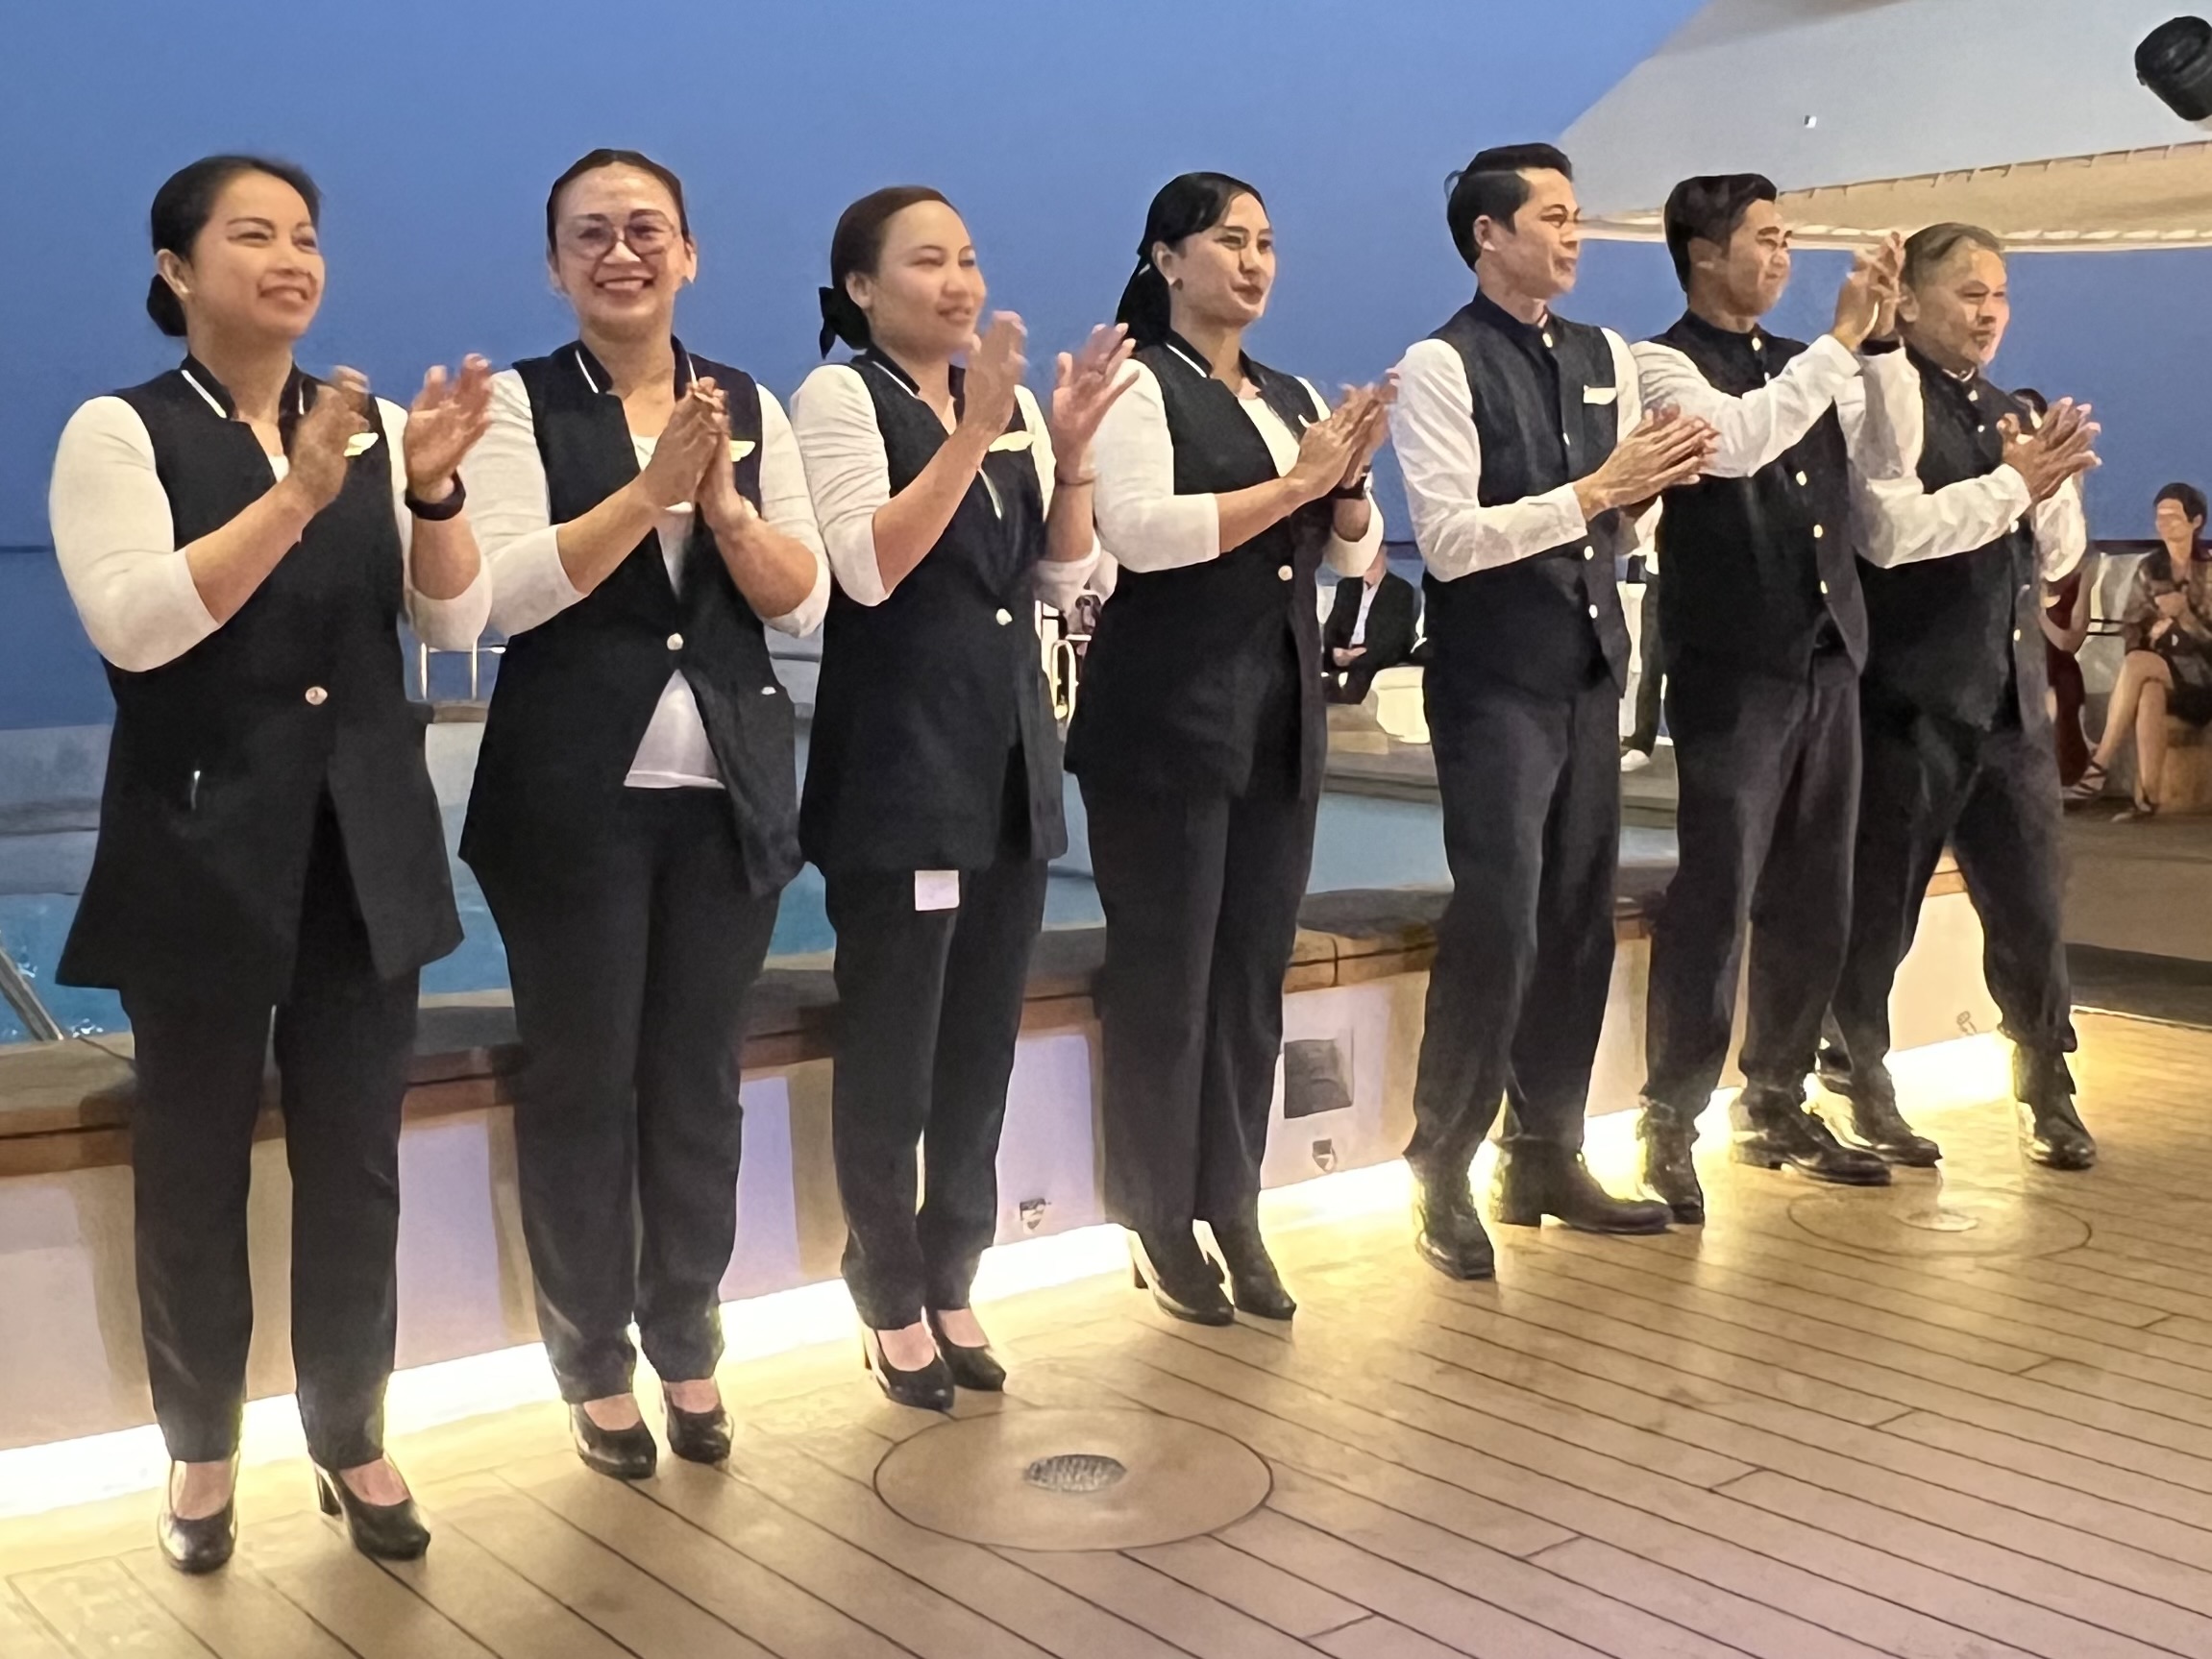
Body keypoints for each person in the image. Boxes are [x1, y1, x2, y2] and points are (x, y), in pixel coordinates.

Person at [47, 155, 493, 1569]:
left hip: (365, 846)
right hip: (198, 844)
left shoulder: (370, 429)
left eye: (305, 235)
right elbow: (136, 625)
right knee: (192, 1163)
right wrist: (297, 495)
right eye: (253, 235)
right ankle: (199, 1445)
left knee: (356, 1161)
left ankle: (351, 1432)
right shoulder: (118, 430)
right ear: (177, 267)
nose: (291, 257)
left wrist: (432, 491)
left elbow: (454, 623)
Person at [461, 150, 829, 1479]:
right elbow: (501, 597)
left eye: (646, 230)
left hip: (726, 798)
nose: (621, 253)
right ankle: (590, 1360)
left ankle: (686, 1334)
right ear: (555, 263)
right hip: (569, 801)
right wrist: (647, 491)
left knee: (695, 1081)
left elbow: (802, 597)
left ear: (689, 253)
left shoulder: (749, 404)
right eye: (591, 235)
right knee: (581, 1080)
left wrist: (721, 503)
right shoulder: (517, 404)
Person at [790, 188, 1130, 1407]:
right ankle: (885, 1289)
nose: (958, 282)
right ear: (861, 288)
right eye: (925, 261)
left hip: (1007, 762)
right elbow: (866, 567)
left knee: (980, 1046)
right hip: (900, 769)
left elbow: (1067, 577)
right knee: (895, 1048)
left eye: (968, 259)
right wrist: (970, 430)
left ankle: (953, 1271)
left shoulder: (1014, 410)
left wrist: (1069, 457)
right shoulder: (841, 397)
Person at [1069, 172, 1390, 1324]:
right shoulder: (1136, 381)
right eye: (1227, 242)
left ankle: (1233, 1200)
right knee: (1167, 977)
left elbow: (1350, 559)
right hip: (1164, 719)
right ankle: (1157, 1212)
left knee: (1251, 975)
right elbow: (1139, 532)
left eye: (1266, 243)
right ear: (1166, 260)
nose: (1253, 263)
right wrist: (1295, 480)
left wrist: (1347, 487)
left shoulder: (1288, 393)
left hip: (1277, 714)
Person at [1389, 145, 1714, 1280]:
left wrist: (1643, 496)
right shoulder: (1438, 365)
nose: (1575, 237)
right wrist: (1597, 491)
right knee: (1500, 917)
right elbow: (1447, 541)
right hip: (1492, 679)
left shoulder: (1603, 354)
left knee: (1578, 914)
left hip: (1587, 670)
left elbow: (1621, 521)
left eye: (1578, 218)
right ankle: (1440, 1162)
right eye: (1554, 218)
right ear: (1488, 234)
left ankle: (1544, 1152)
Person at [1626, 175, 1904, 1222]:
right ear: (1704, 252)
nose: (1783, 257)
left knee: (1816, 891)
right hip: (1734, 662)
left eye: (1789, 240)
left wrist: (1881, 342)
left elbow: (1885, 462)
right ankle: (1670, 1116)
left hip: (1830, 652)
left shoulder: (1807, 360)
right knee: (1717, 889)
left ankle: (1777, 1097)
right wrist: (1840, 344)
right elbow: (1735, 441)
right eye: (1766, 238)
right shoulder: (1658, 361)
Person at [1822, 222, 2101, 1171]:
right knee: (1880, 909)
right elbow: (1893, 536)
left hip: (2012, 708)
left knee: (2033, 906)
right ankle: (1857, 1075)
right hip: (1911, 700)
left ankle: (2046, 1080)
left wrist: (2049, 488)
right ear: (1907, 301)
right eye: (1969, 293)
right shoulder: (1879, 398)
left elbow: (2055, 563)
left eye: (2000, 296)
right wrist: (2016, 483)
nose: (1989, 314)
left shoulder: (2009, 411)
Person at [2066, 482, 2212, 818]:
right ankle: (2146, 800)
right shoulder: (2150, 569)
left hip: (2205, 679)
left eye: (2173, 516)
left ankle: (2099, 765)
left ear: (2195, 522)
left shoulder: (2208, 571)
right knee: (2148, 690)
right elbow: (2131, 627)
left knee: (2137, 664)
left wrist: (2185, 619)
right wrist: (2155, 630)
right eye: (2160, 516)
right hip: (2165, 670)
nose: (2164, 524)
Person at [1322, 543, 1418, 703]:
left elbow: (1395, 636)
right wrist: (1336, 651)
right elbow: (1332, 626)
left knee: (1362, 666)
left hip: (1378, 652)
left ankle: (1347, 706)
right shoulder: (1346, 586)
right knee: (1310, 661)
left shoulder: (1401, 589)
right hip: (1346, 651)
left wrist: (1359, 654)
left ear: (1383, 553)